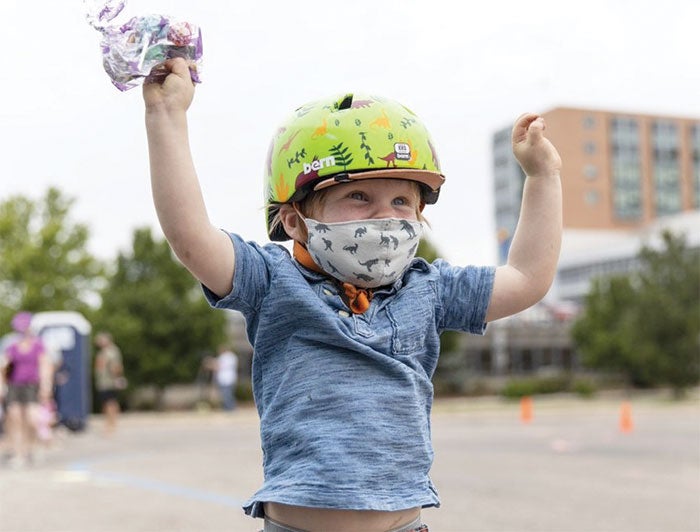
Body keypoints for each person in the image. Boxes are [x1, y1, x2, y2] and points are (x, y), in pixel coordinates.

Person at [142, 58, 562, 532]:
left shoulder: (430, 289)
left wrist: (542, 178)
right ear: (295, 220)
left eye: (402, 201)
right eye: (359, 198)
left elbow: (527, 277)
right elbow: (191, 237)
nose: (386, 218)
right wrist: (166, 116)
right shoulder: (274, 281)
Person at [0, 312, 52, 469]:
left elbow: (44, 366)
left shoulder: (38, 345)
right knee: (15, 420)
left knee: (31, 419)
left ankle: (31, 447)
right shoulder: (11, 346)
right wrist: (2, 387)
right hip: (15, 386)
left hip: (31, 386)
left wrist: (45, 386)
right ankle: (18, 453)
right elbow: (4, 367)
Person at [93, 332, 125, 435]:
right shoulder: (104, 351)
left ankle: (111, 424)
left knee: (110, 403)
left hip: (109, 382)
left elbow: (116, 366)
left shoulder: (111, 351)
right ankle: (109, 423)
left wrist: (117, 378)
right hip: (103, 382)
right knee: (107, 403)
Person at [205, 345, 238, 411]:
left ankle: (230, 408)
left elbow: (218, 366)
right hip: (224, 379)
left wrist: (209, 363)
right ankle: (227, 408)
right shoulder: (225, 357)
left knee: (227, 394)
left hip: (227, 379)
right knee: (225, 394)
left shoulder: (229, 357)